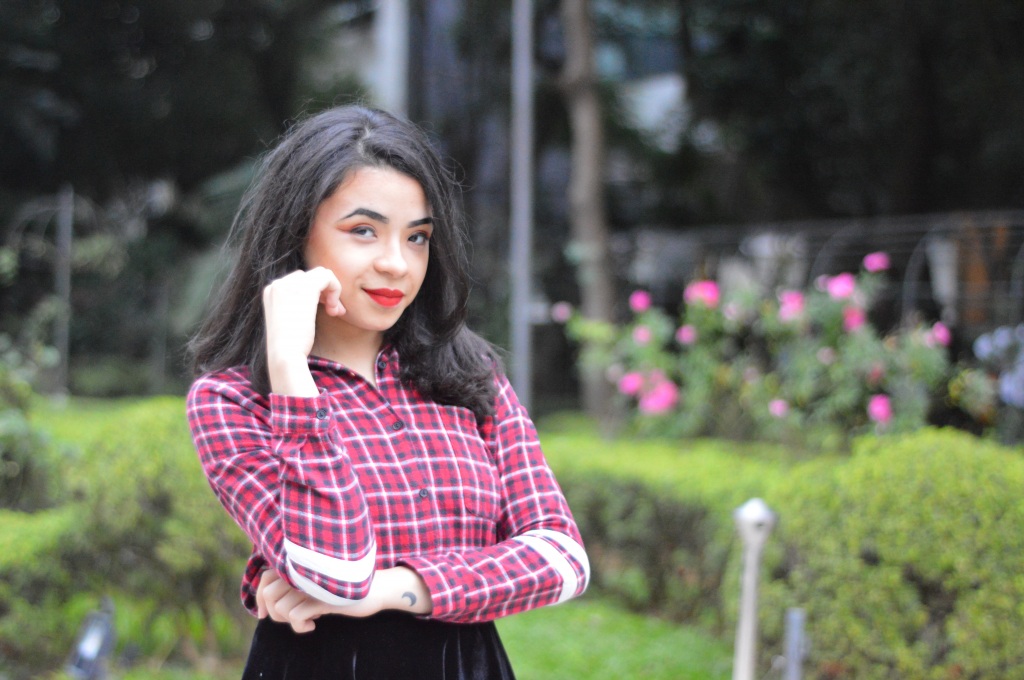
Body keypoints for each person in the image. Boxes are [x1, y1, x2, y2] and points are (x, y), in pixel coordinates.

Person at [185, 105, 589, 679]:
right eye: (363, 231)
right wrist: (290, 371)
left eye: (417, 237)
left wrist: (394, 588)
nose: (397, 263)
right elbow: (336, 572)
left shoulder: (469, 374)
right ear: (296, 233)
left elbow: (561, 559)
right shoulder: (232, 401)